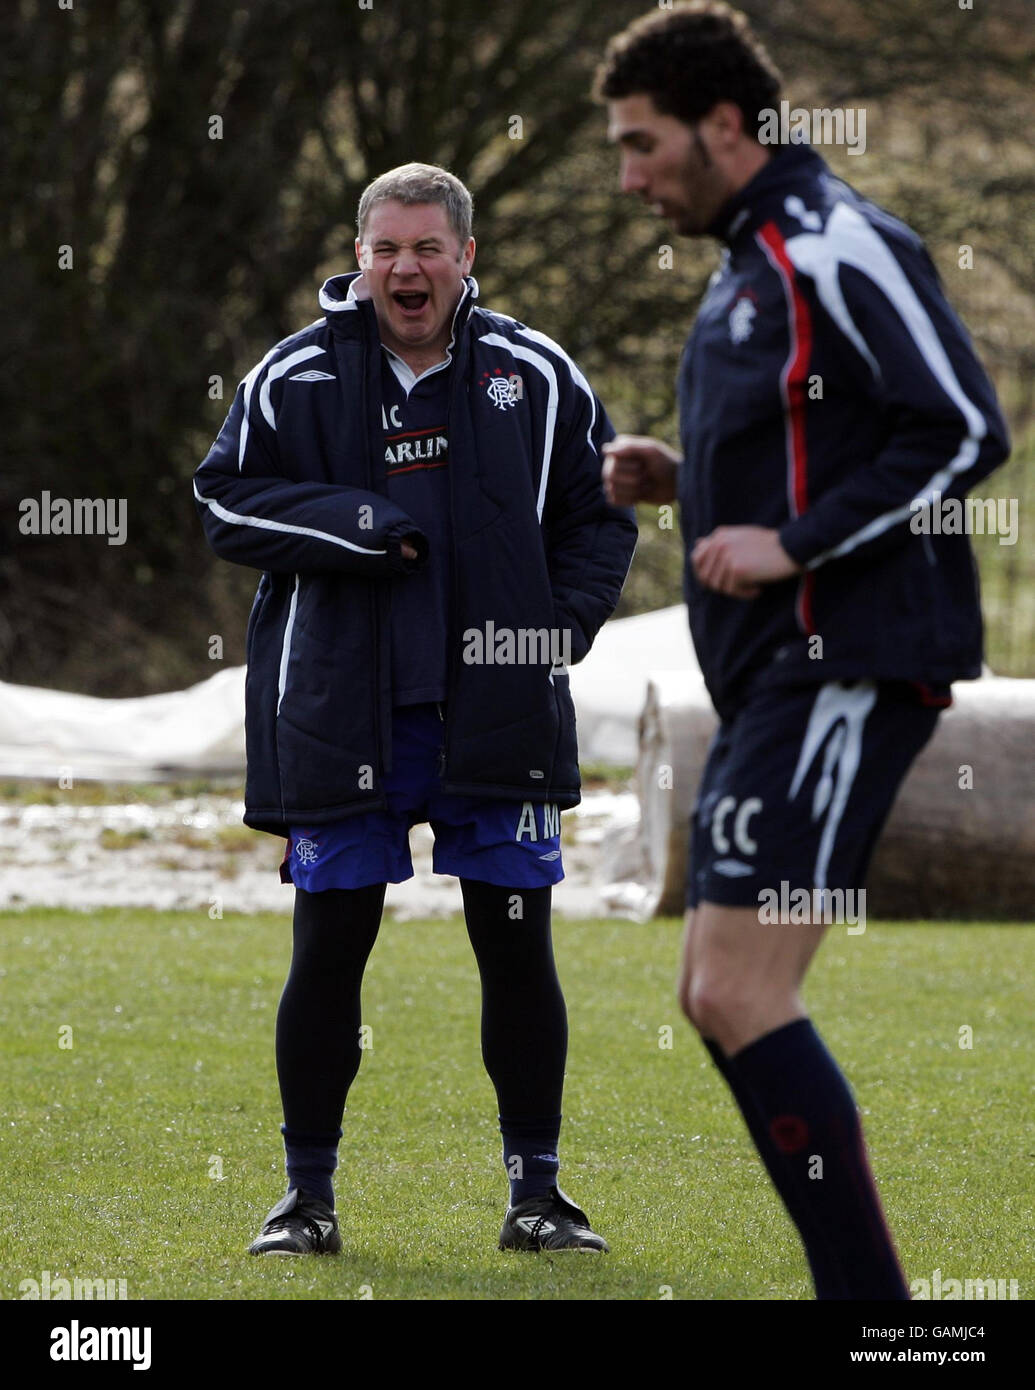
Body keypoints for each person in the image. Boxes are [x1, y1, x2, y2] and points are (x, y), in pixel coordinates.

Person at [595, 2, 1010, 1298]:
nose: (627, 175)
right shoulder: (742, 262)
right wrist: (681, 479)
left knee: (732, 986)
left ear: (723, 124)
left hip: (843, 662)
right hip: (773, 674)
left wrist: (796, 543)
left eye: (641, 142)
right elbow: (805, 441)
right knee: (712, 991)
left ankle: (876, 1317)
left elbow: (954, 426)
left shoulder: (835, 240)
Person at [193, 163, 636, 1255]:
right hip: (344, 714)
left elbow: (602, 511)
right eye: (387, 247)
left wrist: (555, 630)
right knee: (329, 953)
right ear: (359, 257)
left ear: (466, 258)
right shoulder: (293, 378)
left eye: (429, 248)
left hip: (499, 715)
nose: (407, 267)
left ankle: (538, 1194)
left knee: (518, 950)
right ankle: (306, 1199)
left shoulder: (535, 375)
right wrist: (354, 520)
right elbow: (221, 496)